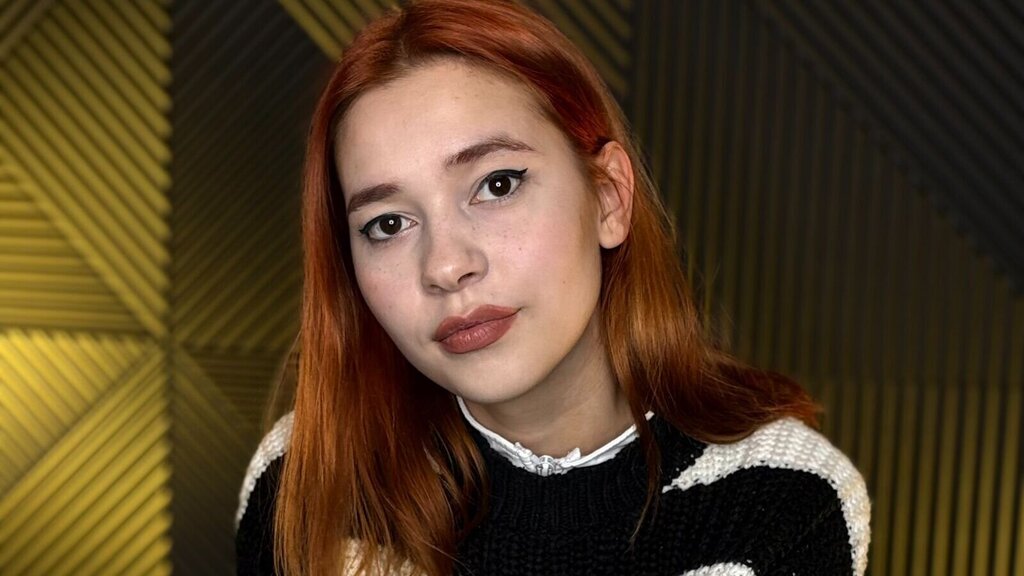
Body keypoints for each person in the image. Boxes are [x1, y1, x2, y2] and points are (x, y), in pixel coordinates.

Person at [234, 1, 871, 574]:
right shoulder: (307, 478)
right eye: (388, 224)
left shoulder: (782, 497)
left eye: (497, 185)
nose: (447, 266)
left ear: (608, 198)